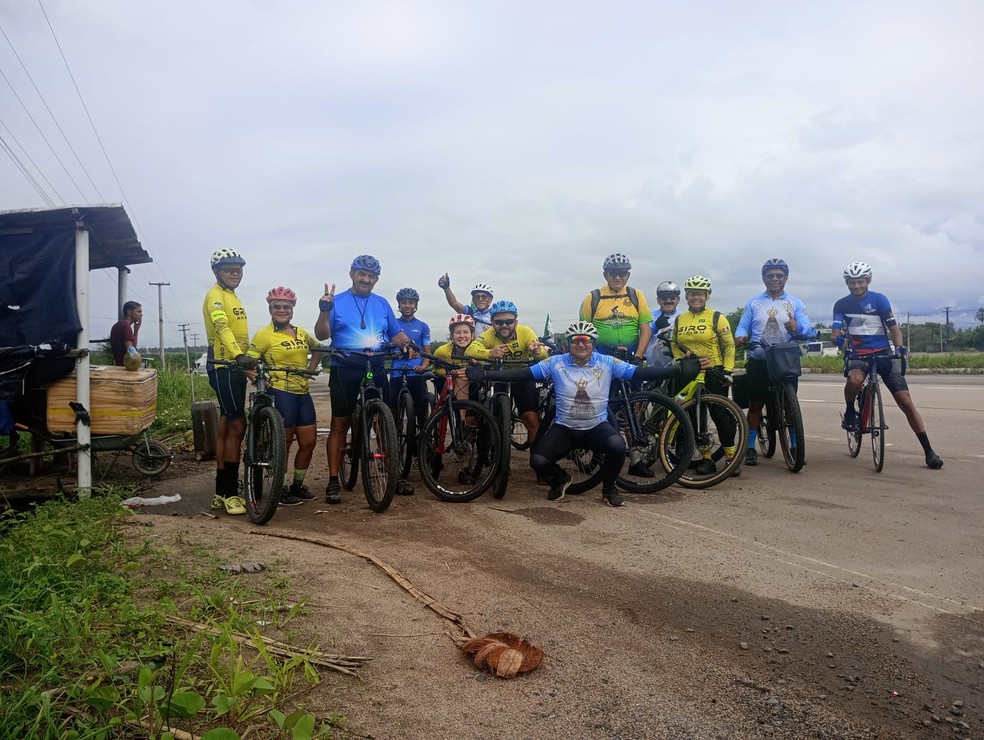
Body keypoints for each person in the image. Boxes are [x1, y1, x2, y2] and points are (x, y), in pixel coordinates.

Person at [467, 321, 702, 507]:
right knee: (537, 461)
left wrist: (677, 371)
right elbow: (523, 375)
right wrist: (486, 376)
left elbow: (641, 373)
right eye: (575, 341)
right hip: (564, 428)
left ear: (593, 343)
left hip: (596, 427)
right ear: (568, 343)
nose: (581, 344)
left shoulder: (607, 362)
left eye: (586, 340)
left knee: (617, 447)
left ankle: (609, 488)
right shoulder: (556, 362)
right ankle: (560, 479)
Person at [314, 255, 414, 504]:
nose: (366, 279)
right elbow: (321, 334)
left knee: (385, 421)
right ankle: (333, 481)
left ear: (376, 279)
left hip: (376, 364)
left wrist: (408, 344)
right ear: (352, 274)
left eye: (371, 276)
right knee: (339, 424)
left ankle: (392, 473)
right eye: (362, 274)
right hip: (345, 365)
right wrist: (324, 312)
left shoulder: (382, 304)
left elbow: (396, 333)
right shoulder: (336, 301)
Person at [831, 262, 943, 469]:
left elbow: (894, 329)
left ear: (868, 280)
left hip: (884, 354)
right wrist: (836, 339)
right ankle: (849, 411)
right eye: (852, 282)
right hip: (859, 355)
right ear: (846, 282)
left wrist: (900, 348)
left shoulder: (879, 299)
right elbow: (836, 330)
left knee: (906, 401)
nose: (856, 286)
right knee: (854, 379)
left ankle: (929, 451)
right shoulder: (841, 304)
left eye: (860, 281)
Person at [734, 259, 816, 466]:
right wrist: (741, 336)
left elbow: (808, 329)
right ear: (764, 278)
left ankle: (795, 446)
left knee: (790, 407)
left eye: (779, 275)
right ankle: (750, 448)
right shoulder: (754, 303)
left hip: (785, 358)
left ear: (786, 278)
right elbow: (743, 326)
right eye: (770, 276)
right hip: (759, 357)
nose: (775, 279)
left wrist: (797, 327)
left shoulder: (795, 303)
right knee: (755, 405)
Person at [246, 287, 323, 506]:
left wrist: (310, 369)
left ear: (292, 309)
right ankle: (279, 487)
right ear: (270, 308)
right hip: (280, 391)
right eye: (276, 306)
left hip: (302, 392)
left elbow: (318, 348)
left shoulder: (300, 332)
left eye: (286, 306)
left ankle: (297, 485)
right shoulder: (264, 334)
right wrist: (257, 378)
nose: (281, 310)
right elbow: (247, 362)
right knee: (285, 443)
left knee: (308, 442)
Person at [203, 248, 258, 516]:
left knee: (227, 422)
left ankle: (220, 491)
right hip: (224, 365)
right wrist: (238, 356)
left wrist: (245, 361)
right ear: (217, 272)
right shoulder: (215, 296)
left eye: (239, 269)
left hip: (234, 365)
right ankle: (230, 494)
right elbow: (221, 327)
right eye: (229, 269)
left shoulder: (231, 295)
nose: (235, 273)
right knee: (237, 424)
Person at [670, 275, 740, 475]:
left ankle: (730, 457)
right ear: (686, 296)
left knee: (719, 415)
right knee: (692, 416)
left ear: (707, 296)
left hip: (713, 370)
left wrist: (727, 370)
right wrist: (679, 359)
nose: (696, 297)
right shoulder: (680, 319)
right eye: (692, 294)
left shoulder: (716, 317)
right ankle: (706, 458)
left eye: (700, 294)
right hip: (690, 371)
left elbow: (729, 346)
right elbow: (674, 342)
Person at [464, 299, 548, 444]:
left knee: (531, 419)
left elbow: (543, 355)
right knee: (495, 419)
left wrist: (536, 351)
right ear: (492, 322)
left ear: (516, 322)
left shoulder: (525, 332)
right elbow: (469, 350)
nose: (504, 325)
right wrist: (489, 353)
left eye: (509, 321)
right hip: (499, 378)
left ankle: (536, 455)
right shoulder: (489, 334)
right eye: (499, 322)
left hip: (522, 377)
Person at [389, 287, 432, 495]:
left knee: (422, 414)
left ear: (416, 305)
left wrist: (423, 366)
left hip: (417, 376)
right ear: (399, 304)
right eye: (404, 302)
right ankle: (394, 453)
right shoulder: (392, 324)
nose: (407, 306)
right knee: (394, 418)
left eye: (411, 303)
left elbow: (427, 352)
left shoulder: (422, 326)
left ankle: (424, 450)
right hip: (397, 375)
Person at [579, 253, 652, 359]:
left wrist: (639, 356)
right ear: (605, 275)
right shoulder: (592, 297)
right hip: (601, 356)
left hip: (631, 354)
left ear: (628, 275)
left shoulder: (636, 295)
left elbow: (646, 330)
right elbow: (584, 332)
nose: (617, 277)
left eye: (622, 273)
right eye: (613, 273)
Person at [434, 314, 479, 401]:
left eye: (466, 332)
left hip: (473, 385)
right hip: (447, 384)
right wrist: (449, 372)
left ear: (472, 335)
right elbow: (434, 369)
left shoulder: (478, 350)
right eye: (457, 332)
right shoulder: (441, 352)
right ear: (451, 336)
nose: (462, 336)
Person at [643, 281, 681, 368]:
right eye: (664, 298)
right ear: (658, 300)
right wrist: (655, 326)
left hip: (674, 366)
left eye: (672, 298)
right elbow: (640, 337)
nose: (668, 301)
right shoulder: (649, 317)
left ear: (678, 299)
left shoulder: (682, 318)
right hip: (651, 367)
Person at [110, 301, 142, 368]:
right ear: (129, 312)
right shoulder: (125, 327)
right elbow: (132, 354)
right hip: (126, 368)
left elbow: (132, 347)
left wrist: (135, 331)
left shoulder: (117, 325)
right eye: (138, 311)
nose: (141, 314)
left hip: (118, 366)